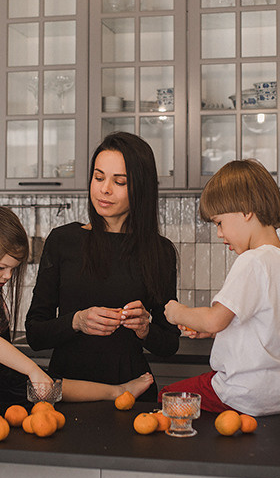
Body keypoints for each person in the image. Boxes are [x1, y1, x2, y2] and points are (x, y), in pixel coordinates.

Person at [0, 196, 154, 411]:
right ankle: (117, 391)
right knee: (48, 386)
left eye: (12, 269)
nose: (7, 276)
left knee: (51, 384)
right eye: (1, 267)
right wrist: (32, 370)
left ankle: (117, 391)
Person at [24, 132, 178, 401]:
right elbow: (35, 333)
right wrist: (76, 321)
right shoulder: (63, 241)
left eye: (119, 182)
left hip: (133, 392)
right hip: (68, 392)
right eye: (98, 177)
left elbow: (169, 343)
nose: (104, 189)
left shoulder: (159, 251)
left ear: (140, 188)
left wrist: (145, 329)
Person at [160, 159, 280, 416]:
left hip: (244, 392)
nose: (219, 233)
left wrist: (177, 312)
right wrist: (219, 333)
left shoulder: (252, 260)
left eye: (219, 222)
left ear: (246, 210)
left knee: (167, 396)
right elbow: (267, 325)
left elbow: (215, 319)